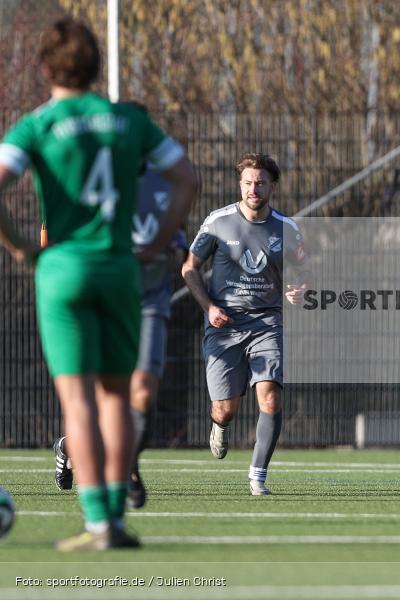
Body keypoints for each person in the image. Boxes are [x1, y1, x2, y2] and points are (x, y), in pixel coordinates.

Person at [0, 18, 196, 550]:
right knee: (116, 395)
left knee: (77, 399)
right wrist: (155, 247)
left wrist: (22, 246)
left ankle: (94, 519)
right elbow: (187, 179)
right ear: (95, 67)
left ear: (44, 68)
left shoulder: (37, 124)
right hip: (118, 268)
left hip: (62, 269)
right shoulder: (124, 122)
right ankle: (113, 520)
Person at [53, 107, 190, 510]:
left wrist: (175, 250)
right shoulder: (95, 176)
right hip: (103, 294)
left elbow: (176, 237)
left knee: (143, 391)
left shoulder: (165, 183)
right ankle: (76, 451)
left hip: (149, 296)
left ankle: (127, 465)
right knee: (100, 394)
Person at [182, 153, 306, 496]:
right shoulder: (217, 222)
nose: (254, 189)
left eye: (261, 182)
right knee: (225, 409)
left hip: (267, 322)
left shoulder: (288, 228)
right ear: (240, 185)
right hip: (224, 326)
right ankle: (220, 425)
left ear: (273, 186)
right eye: (248, 182)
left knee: (270, 399)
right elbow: (189, 268)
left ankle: (258, 476)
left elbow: (303, 270)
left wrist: (300, 287)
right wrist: (208, 307)